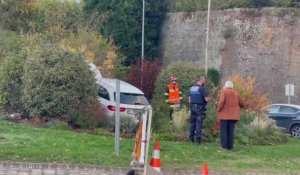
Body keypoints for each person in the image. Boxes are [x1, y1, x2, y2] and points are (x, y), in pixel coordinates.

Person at [217, 80, 244, 150]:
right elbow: (242, 104)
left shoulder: (224, 91)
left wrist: (218, 109)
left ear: (226, 86)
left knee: (224, 130)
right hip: (233, 116)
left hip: (225, 115)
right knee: (230, 131)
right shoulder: (236, 93)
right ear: (232, 86)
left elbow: (222, 101)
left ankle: (224, 147)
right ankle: (230, 146)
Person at [188, 76, 210, 144]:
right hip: (199, 108)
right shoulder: (202, 89)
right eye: (204, 81)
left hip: (192, 107)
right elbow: (207, 99)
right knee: (198, 124)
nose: (205, 82)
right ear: (202, 80)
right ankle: (198, 140)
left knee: (192, 123)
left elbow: (189, 99)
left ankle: (191, 138)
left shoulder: (192, 88)